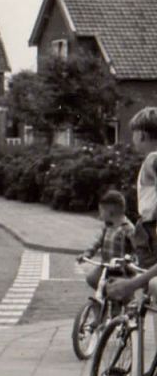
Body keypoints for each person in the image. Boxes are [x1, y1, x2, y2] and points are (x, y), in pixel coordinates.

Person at [106, 114, 157, 345]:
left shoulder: (152, 159)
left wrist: (132, 285)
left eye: (134, 134)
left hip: (150, 228)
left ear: (142, 135)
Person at [77, 190, 135, 291]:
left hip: (122, 270)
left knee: (122, 291)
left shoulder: (128, 228)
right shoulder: (107, 226)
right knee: (92, 278)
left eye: (101, 211)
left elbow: (137, 247)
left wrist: (131, 260)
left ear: (110, 212)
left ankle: (128, 302)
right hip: (106, 266)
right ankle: (105, 298)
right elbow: (97, 242)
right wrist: (87, 254)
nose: (100, 215)